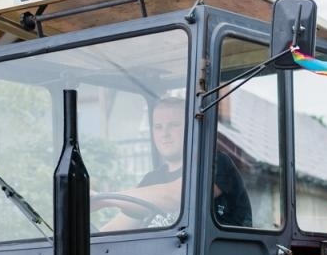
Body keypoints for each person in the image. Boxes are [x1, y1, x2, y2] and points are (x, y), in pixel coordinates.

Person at [94, 97, 250, 231]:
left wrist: (103, 199)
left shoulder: (215, 163)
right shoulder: (153, 179)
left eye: (174, 125)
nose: (164, 133)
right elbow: (117, 227)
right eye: (158, 127)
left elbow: (177, 196)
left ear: (192, 128)